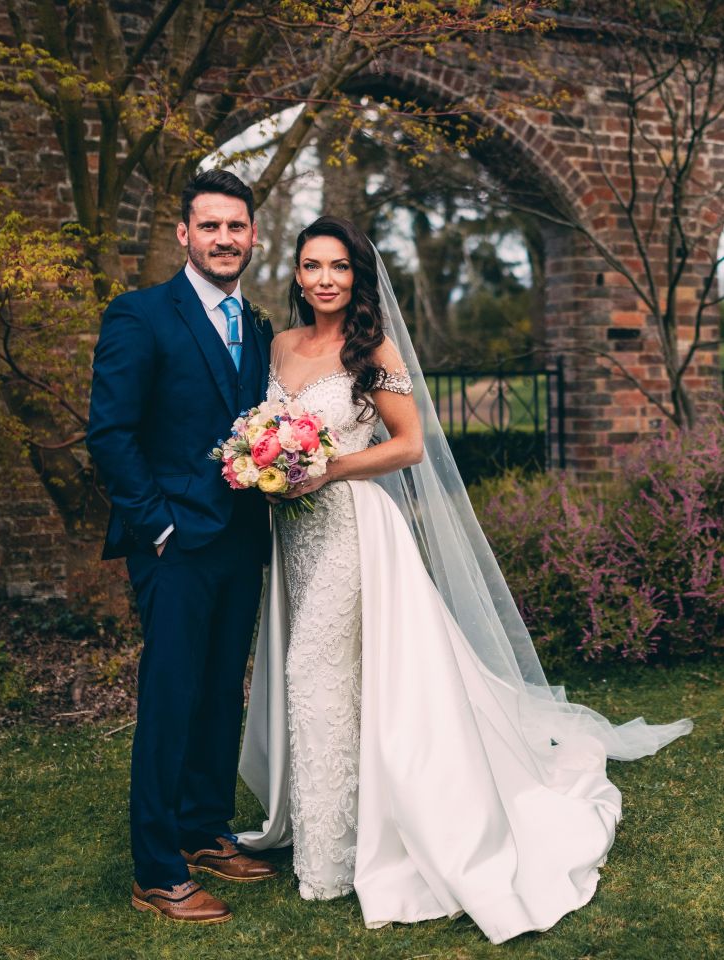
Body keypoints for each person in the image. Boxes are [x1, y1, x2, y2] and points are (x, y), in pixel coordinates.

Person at [237, 216, 692, 944]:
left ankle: (331, 857)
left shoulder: (371, 347)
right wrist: (265, 463)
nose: (325, 278)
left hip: (355, 526)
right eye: (312, 265)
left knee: (315, 670)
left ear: (358, 276)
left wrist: (326, 468)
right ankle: (340, 825)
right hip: (295, 534)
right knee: (334, 677)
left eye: (339, 267)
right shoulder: (281, 346)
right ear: (295, 274)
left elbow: (410, 446)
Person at [87, 169, 278, 925]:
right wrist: (155, 525)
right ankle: (157, 868)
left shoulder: (256, 327)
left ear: (252, 234)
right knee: (170, 698)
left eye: (236, 226)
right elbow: (111, 432)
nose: (224, 239)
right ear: (183, 234)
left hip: (241, 538)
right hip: (173, 544)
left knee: (220, 690)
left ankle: (204, 828)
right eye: (210, 226)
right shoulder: (141, 315)